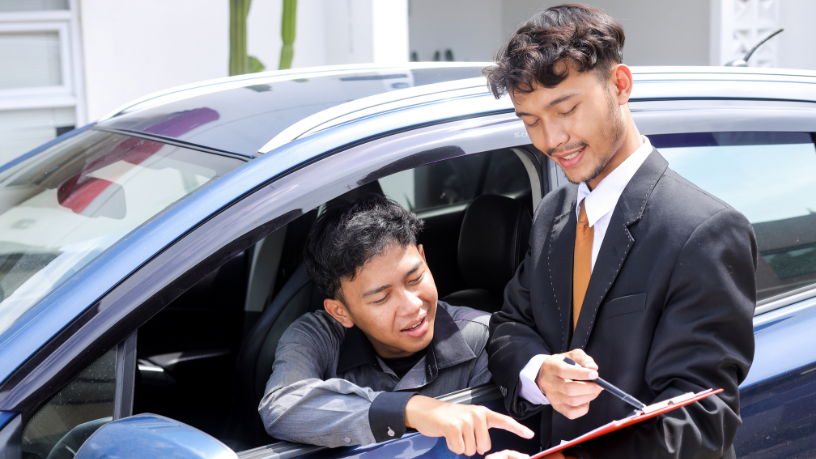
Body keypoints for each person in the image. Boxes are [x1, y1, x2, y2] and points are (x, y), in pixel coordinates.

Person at [482, 5, 757, 459]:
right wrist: (540, 372)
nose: (551, 139)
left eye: (566, 109)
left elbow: (699, 425)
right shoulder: (554, 212)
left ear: (620, 85)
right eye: (530, 122)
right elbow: (511, 324)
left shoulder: (703, 230)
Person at [259, 193, 534, 455]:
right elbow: (281, 406)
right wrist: (411, 410)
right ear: (340, 312)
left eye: (415, 279)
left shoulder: (487, 339)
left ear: (424, 258)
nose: (412, 305)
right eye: (381, 298)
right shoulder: (319, 335)